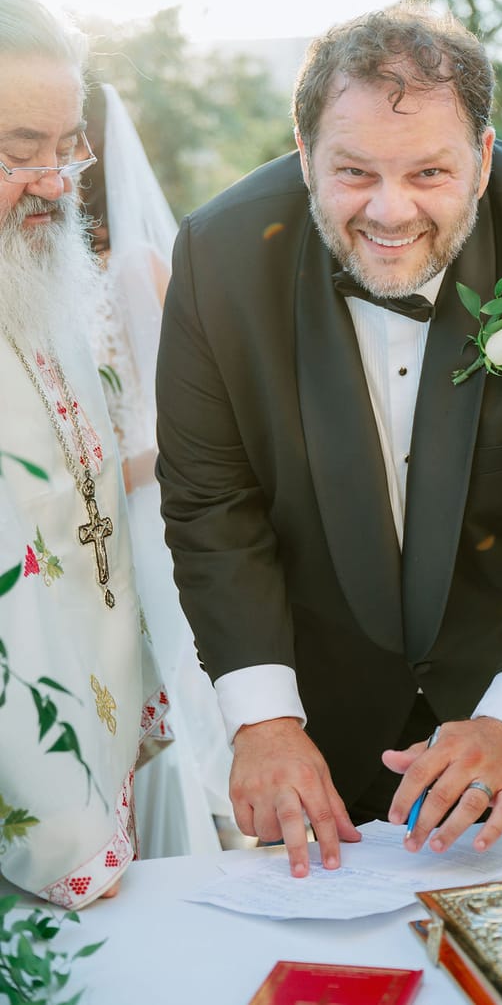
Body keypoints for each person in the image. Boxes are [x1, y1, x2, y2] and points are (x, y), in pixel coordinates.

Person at [155, 1, 502, 880]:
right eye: (353, 171)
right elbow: (214, 505)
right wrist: (265, 719)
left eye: (429, 172)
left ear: (483, 157)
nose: (390, 212)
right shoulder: (219, 256)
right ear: (303, 150)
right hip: (317, 748)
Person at [0, 0, 169, 906]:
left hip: (96, 753)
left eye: (67, 149)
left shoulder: (36, 279)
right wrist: (59, 830)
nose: (58, 183)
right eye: (20, 155)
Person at [80, 82, 233, 857]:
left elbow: (187, 427)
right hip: (70, 524)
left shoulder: (139, 267)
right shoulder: (40, 268)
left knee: (155, 684)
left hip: (135, 512)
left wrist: (99, 472)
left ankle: (171, 849)